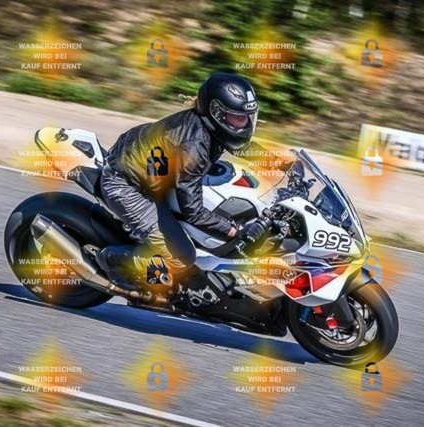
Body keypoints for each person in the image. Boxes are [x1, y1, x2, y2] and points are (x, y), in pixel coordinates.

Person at [97, 72, 287, 284]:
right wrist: (236, 231)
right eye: (239, 117)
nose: (245, 124)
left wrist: (281, 163)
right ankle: (116, 263)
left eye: (247, 117)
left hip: (145, 168)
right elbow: (193, 211)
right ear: (217, 113)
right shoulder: (193, 149)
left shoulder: (211, 127)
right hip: (127, 185)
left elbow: (240, 146)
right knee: (181, 257)